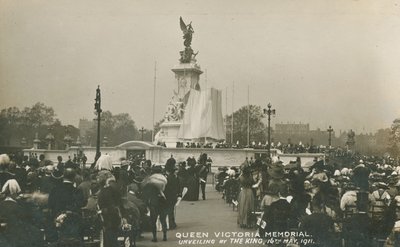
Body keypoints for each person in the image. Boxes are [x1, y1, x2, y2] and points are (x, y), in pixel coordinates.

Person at [48, 168, 86, 243]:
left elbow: (50, 206)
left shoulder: (54, 190)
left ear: (63, 176)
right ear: (74, 178)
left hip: (57, 224)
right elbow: (80, 205)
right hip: (73, 225)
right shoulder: (77, 191)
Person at [164, 164, 181, 229]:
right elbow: (178, 186)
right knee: (171, 209)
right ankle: (172, 222)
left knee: (169, 210)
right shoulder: (175, 178)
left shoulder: (167, 178)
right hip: (173, 195)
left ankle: (170, 223)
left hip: (168, 195)